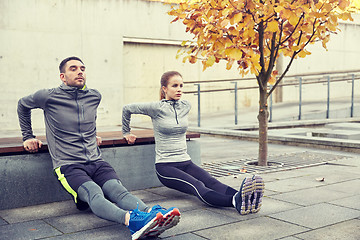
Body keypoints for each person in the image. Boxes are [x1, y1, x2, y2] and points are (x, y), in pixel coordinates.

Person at [17, 57, 180, 240]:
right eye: (73, 69)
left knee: (118, 191)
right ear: (63, 76)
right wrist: (28, 136)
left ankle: (150, 214)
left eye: (82, 68)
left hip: (95, 160)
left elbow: (89, 118)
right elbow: (22, 105)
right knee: (94, 193)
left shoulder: (94, 96)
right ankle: (132, 221)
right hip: (68, 165)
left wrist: (91, 133)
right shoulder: (47, 96)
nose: (80, 71)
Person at [122, 71, 265, 215]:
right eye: (175, 86)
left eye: (181, 86)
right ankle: (235, 202)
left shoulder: (185, 105)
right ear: (164, 88)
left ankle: (246, 198)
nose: (179, 89)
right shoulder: (156, 108)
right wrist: (126, 132)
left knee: (211, 181)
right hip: (166, 166)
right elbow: (127, 109)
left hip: (185, 162)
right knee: (197, 186)